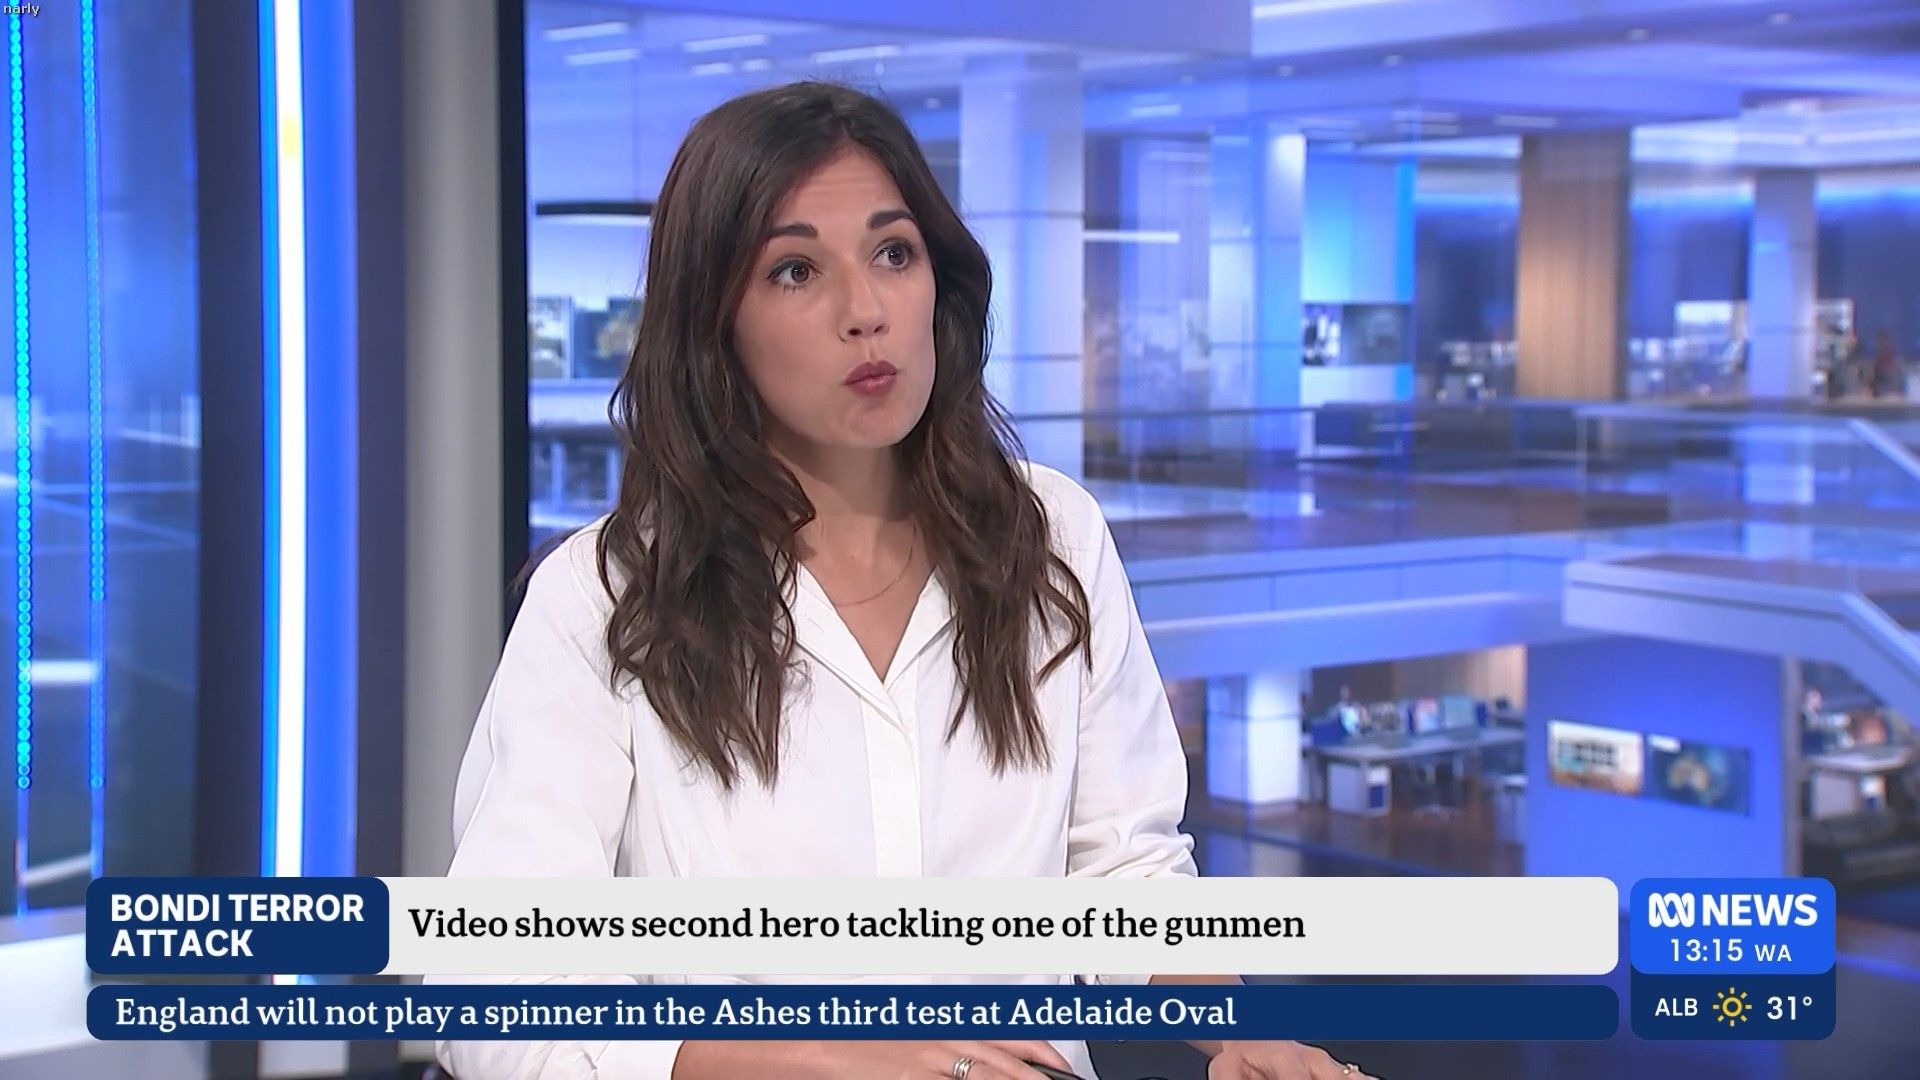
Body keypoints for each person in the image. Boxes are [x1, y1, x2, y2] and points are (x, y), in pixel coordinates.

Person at [434, 82, 1369, 1080]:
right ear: (714, 322)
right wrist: (826, 1061)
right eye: (796, 270)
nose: (866, 312)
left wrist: (1245, 1027)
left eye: (893, 253)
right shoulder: (606, 596)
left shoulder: (1052, 538)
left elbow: (1123, 869)